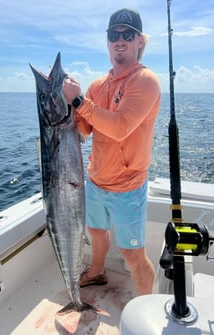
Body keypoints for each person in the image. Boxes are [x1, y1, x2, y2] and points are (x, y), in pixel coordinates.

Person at [62, 8, 161, 296]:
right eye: (113, 35)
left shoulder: (145, 80)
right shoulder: (97, 86)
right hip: (95, 181)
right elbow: (83, 130)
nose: (120, 40)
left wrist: (78, 100)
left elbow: (120, 127)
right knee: (96, 232)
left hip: (128, 186)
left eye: (127, 35)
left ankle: (147, 305)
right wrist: (63, 108)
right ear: (107, 41)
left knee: (132, 255)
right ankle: (97, 272)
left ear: (139, 41)